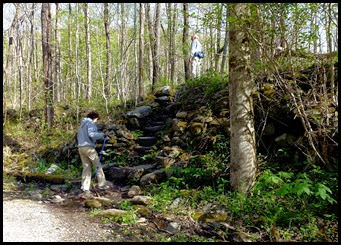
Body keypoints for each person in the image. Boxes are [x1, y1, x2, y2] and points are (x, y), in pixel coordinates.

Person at [77, 111, 111, 197]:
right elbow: (92, 135)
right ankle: (102, 184)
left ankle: (85, 187)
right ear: (94, 117)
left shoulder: (82, 124)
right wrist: (103, 134)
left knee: (86, 167)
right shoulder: (90, 123)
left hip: (81, 147)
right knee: (97, 165)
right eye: (96, 119)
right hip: (88, 147)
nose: (96, 121)